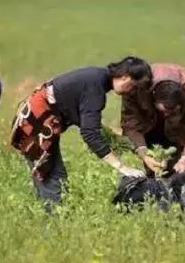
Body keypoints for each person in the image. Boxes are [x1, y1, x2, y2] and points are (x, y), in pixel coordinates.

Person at [10, 56, 153, 211]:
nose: (132, 92)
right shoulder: (95, 88)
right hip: (37, 127)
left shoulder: (97, 77)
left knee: (52, 178)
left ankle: (46, 216)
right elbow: (90, 133)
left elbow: (87, 122)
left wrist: (126, 144)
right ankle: (53, 225)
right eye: (134, 87)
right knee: (53, 179)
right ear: (125, 76)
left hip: (34, 121)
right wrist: (122, 167)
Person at [121, 63, 185, 192]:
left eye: (172, 111)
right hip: (149, 123)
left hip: (179, 129)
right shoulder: (136, 86)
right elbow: (130, 124)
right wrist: (143, 153)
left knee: (178, 173)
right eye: (165, 110)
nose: (167, 114)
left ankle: (178, 200)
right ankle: (150, 196)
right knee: (152, 168)